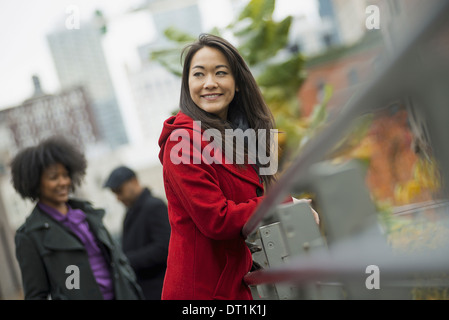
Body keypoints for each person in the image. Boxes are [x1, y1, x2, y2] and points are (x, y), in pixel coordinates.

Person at [158, 34, 285, 300]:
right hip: (201, 293)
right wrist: (283, 204)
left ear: (237, 83)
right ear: (187, 84)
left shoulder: (241, 137)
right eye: (199, 74)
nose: (210, 83)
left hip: (234, 286)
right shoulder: (181, 144)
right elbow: (217, 220)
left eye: (220, 73)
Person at [11, 136, 144, 300]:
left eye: (65, 175)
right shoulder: (29, 236)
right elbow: (36, 295)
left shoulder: (89, 215)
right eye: (54, 177)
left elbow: (119, 262)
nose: (63, 182)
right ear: (35, 183)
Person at [103, 165, 170, 300]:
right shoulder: (131, 212)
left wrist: (126, 260)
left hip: (159, 287)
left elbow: (164, 247)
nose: (117, 198)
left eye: (119, 191)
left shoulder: (154, 206)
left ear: (134, 182)